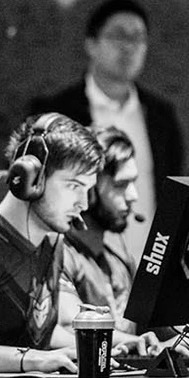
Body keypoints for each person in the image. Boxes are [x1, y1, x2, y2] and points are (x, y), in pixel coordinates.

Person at [0, 113, 150, 374]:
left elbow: (46, 331)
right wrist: (35, 360)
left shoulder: (52, 244)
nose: (84, 204)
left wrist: (126, 344)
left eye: (87, 189)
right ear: (32, 178)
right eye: (74, 186)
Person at [30, 0, 184, 263]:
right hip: (76, 261)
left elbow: (173, 192)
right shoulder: (58, 113)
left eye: (138, 38)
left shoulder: (161, 116)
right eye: (118, 36)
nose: (129, 47)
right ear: (91, 44)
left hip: (150, 260)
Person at [64, 126, 145, 335]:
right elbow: (75, 335)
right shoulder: (62, 257)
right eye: (120, 185)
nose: (133, 196)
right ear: (88, 188)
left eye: (133, 183)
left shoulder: (120, 259)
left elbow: (155, 327)